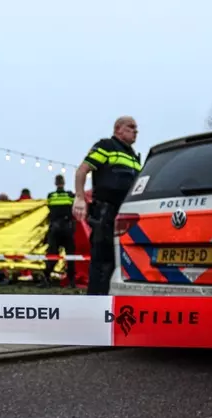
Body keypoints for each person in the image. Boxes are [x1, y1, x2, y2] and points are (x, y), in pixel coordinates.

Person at [72, 116, 142, 295]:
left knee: (121, 263)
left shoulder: (134, 156)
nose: (136, 131)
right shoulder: (106, 146)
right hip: (105, 213)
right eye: (131, 127)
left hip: (126, 215)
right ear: (118, 129)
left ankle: (113, 302)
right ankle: (96, 305)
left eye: (136, 128)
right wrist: (80, 198)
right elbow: (82, 170)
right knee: (102, 263)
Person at [40, 174, 77, 288]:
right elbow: (74, 210)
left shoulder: (51, 196)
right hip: (67, 229)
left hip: (55, 229)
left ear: (55, 183)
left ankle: (46, 278)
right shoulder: (70, 195)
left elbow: (49, 211)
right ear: (64, 182)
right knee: (70, 256)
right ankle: (71, 281)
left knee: (52, 255)